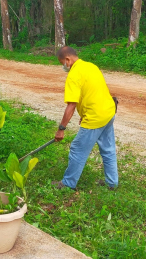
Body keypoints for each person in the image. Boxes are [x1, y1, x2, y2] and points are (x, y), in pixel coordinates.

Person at [52, 46, 118, 190]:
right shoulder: (91, 66)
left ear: (68, 60)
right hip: (108, 111)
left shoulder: (74, 75)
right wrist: (84, 114)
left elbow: (71, 105)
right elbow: (94, 91)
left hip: (95, 117)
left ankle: (68, 184)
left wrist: (61, 129)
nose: (63, 66)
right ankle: (112, 183)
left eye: (62, 62)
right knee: (108, 149)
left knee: (77, 149)